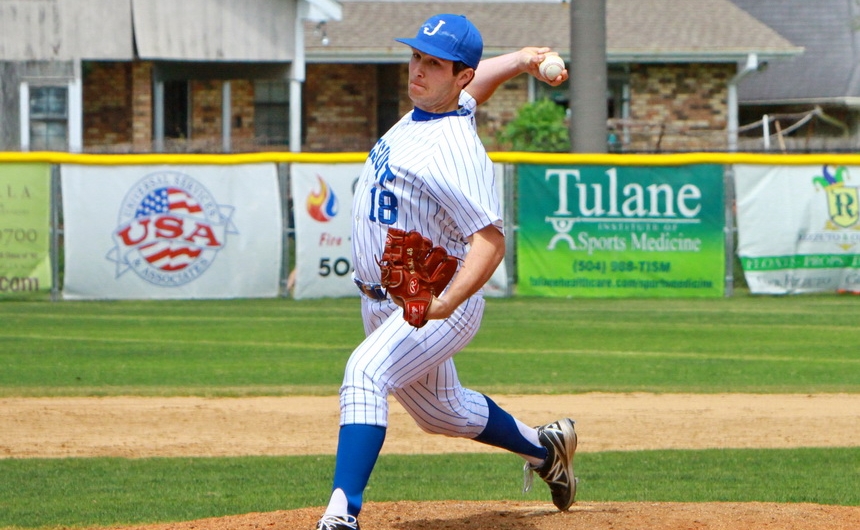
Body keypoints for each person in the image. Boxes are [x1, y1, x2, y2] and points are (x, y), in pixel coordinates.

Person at [315, 14, 576, 530]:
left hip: (435, 300)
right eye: (416, 57)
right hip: (387, 299)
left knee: (364, 374)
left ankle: (342, 514)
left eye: (433, 63)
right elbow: (476, 80)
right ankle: (547, 450)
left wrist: (447, 304)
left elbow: (490, 240)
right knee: (442, 412)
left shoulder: (457, 151)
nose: (418, 70)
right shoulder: (439, 104)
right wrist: (523, 59)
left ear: (455, 76)